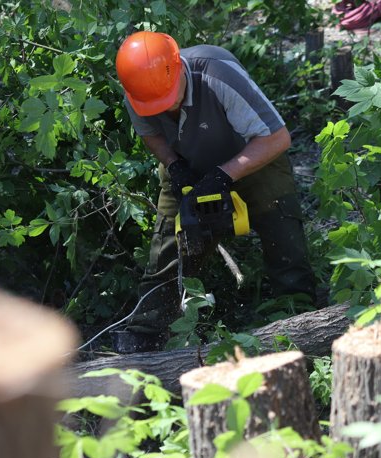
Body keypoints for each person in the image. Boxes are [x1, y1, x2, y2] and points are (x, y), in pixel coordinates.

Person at [112, 31, 315, 353]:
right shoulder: (137, 90)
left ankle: (301, 318)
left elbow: (277, 138)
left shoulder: (216, 74)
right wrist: (174, 165)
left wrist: (222, 176)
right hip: (187, 162)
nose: (167, 107)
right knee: (169, 246)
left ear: (178, 68)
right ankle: (146, 331)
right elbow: (150, 133)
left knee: (283, 234)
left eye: (169, 98)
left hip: (253, 154)